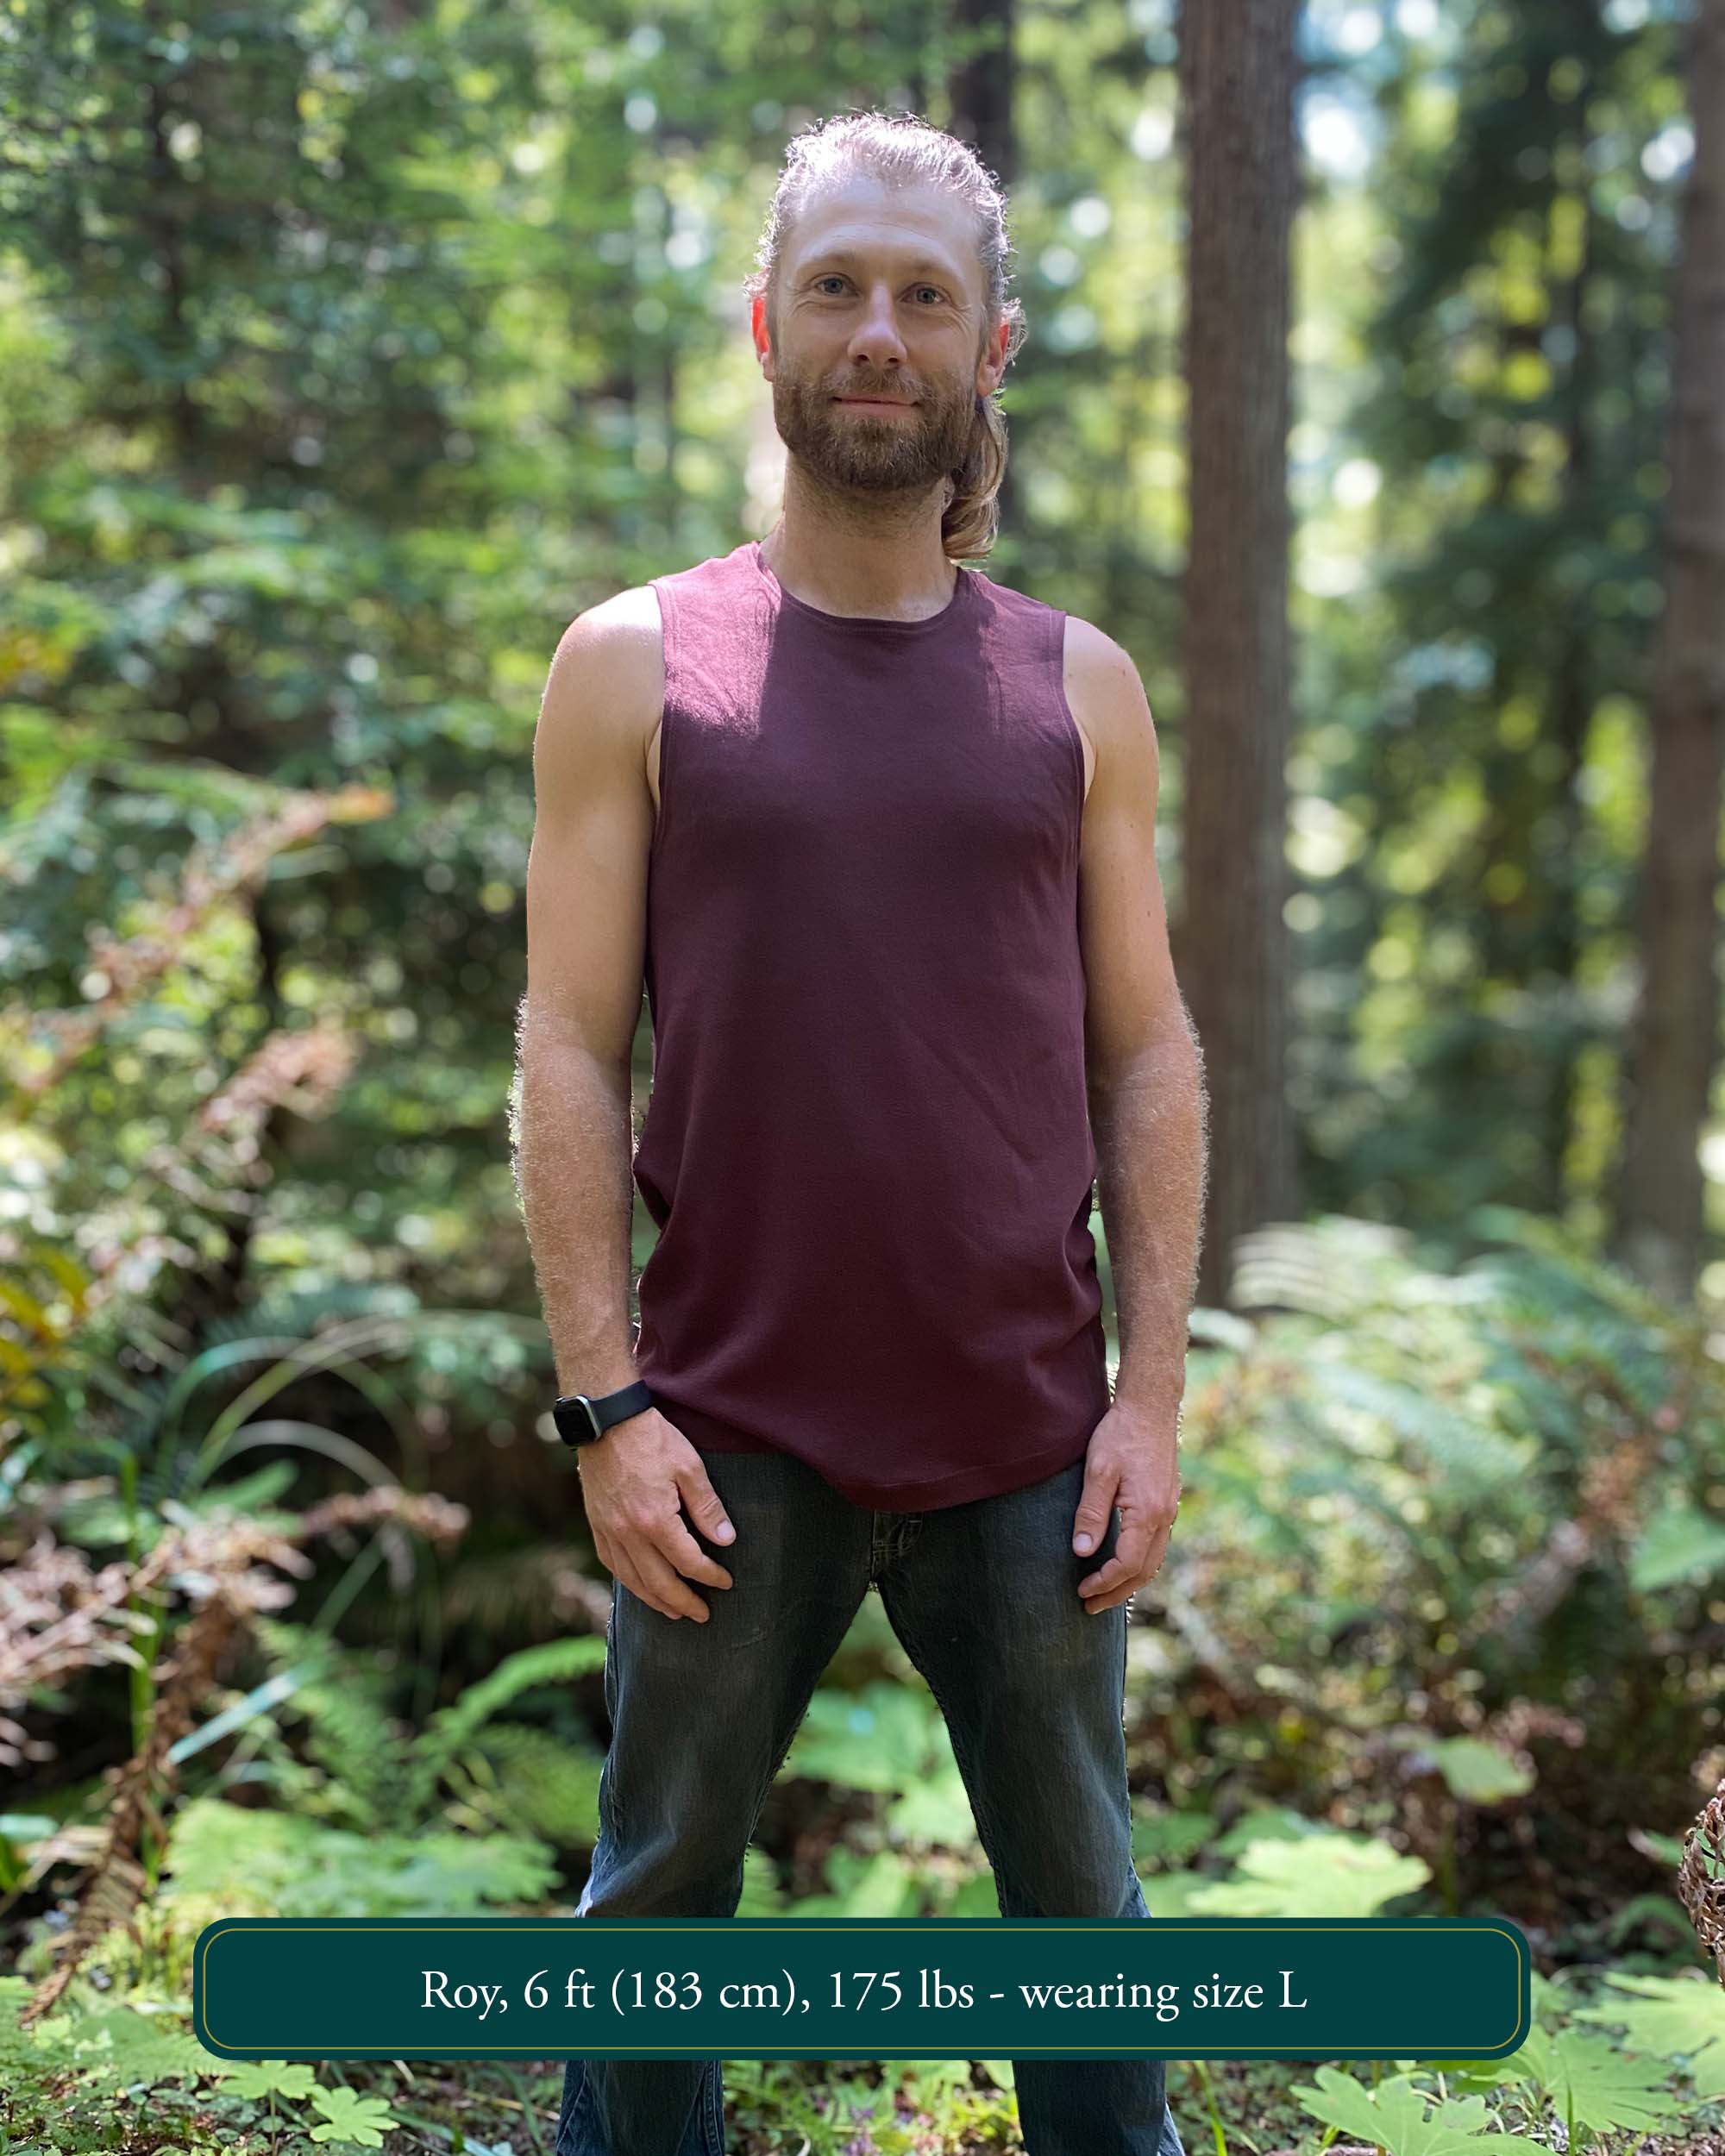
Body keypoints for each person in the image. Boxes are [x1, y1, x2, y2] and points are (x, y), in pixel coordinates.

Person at [515, 109, 1208, 2156]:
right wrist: (600, 1402)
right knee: (653, 1919)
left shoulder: (1078, 688)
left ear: (991, 343)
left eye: (924, 293)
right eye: (837, 286)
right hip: (722, 1430)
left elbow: (1151, 1048)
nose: (878, 330)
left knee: (1087, 1940)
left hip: (1024, 1435)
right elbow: (564, 1041)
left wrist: (1147, 1396)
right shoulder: (634, 662)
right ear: (762, 325)